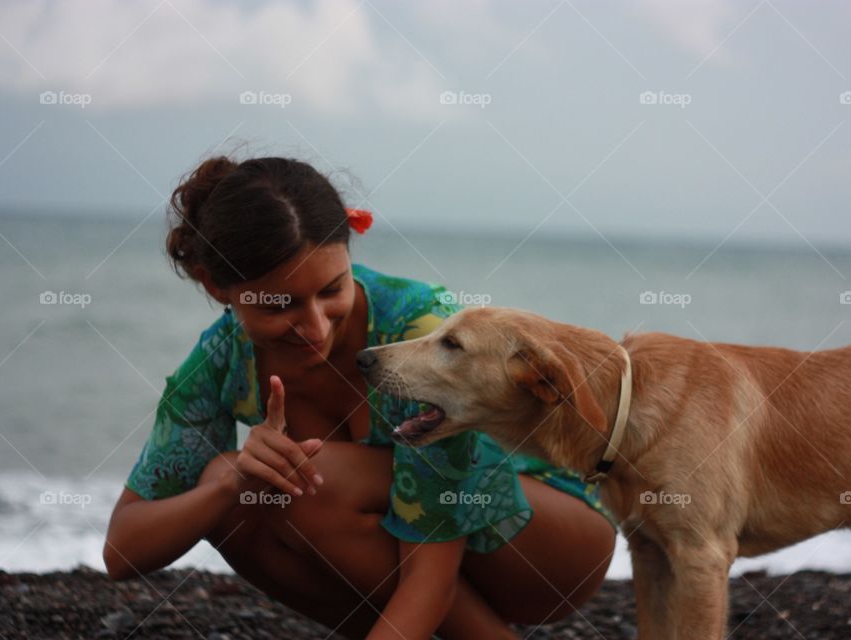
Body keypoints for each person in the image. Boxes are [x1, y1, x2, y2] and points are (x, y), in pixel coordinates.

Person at [103, 155, 618, 639]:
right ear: (215, 285)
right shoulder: (222, 357)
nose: (314, 327)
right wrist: (228, 486)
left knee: (306, 483)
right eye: (281, 304)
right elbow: (123, 551)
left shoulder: (420, 332)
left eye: (331, 290)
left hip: (545, 540)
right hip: (425, 553)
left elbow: (431, 574)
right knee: (233, 481)